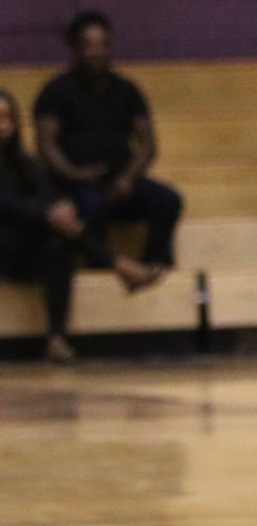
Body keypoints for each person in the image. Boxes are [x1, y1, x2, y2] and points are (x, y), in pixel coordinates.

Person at [0, 89, 159, 363]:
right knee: (55, 227)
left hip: (23, 245)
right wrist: (47, 214)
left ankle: (57, 339)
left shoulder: (20, 159)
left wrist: (59, 207)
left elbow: (45, 189)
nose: (1, 125)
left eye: (5, 118)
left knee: (60, 245)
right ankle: (119, 265)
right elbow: (6, 205)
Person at [32, 12, 182, 283]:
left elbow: (147, 143)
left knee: (168, 200)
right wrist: (74, 174)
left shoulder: (127, 90)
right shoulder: (56, 90)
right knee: (91, 205)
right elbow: (46, 144)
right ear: (75, 48)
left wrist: (127, 177)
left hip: (120, 184)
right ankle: (102, 272)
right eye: (88, 45)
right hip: (73, 185)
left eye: (103, 44)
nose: (96, 52)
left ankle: (153, 266)